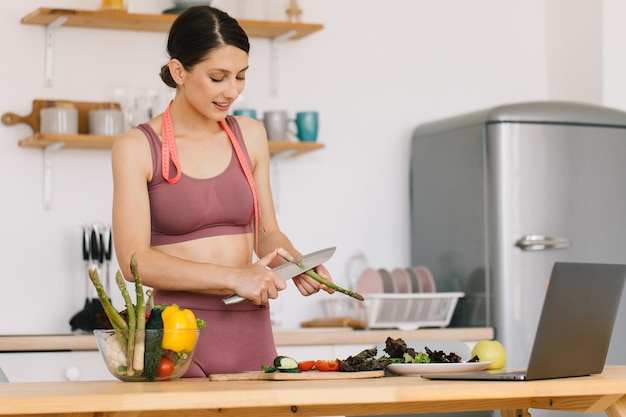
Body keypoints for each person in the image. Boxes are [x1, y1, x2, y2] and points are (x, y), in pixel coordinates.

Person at [111, 5, 334, 377]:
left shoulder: (250, 135)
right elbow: (135, 262)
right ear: (179, 71)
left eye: (241, 77)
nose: (232, 91)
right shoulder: (136, 147)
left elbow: (266, 235)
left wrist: (297, 264)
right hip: (177, 336)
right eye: (218, 77)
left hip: (253, 331)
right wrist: (234, 277)